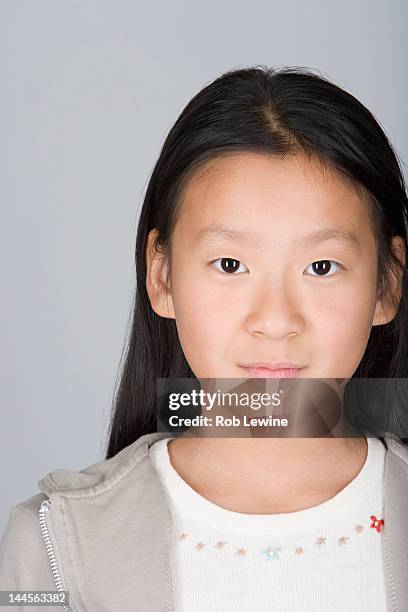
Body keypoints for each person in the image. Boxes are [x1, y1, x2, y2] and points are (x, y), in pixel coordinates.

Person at [1, 65, 408, 612]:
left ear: (387, 284)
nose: (275, 319)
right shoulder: (51, 543)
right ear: (162, 277)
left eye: (321, 266)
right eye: (231, 263)